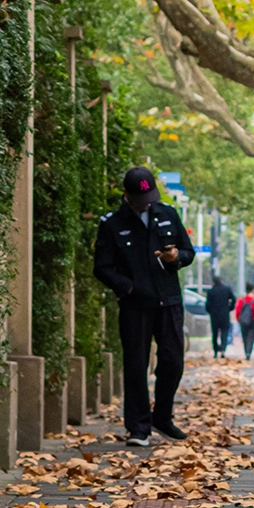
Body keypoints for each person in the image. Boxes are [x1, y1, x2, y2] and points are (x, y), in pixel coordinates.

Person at [92, 166, 195, 446]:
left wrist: (177, 257)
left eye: (150, 197)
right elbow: (101, 267)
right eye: (141, 199)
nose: (147, 203)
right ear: (127, 195)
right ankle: (138, 427)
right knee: (136, 365)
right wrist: (127, 287)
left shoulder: (168, 214)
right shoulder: (112, 223)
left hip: (169, 299)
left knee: (173, 360)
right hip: (135, 304)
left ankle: (162, 416)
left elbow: (188, 252)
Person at [204, 276, 236, 359]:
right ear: (221, 281)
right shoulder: (227, 289)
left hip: (214, 315)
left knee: (214, 334)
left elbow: (207, 304)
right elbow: (234, 299)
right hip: (225, 314)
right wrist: (230, 308)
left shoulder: (211, 291)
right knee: (224, 333)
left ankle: (215, 351)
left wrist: (210, 311)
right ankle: (222, 349)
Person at [235, 286, 254, 358]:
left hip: (243, 321)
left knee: (245, 337)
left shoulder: (241, 300)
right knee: (251, 337)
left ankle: (246, 350)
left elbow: (238, 311)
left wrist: (238, 319)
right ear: (253, 290)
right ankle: (248, 352)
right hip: (253, 321)